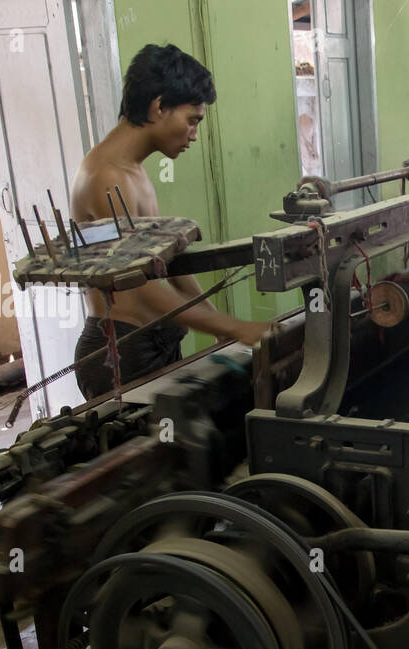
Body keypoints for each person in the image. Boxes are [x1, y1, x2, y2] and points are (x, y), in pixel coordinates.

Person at [69, 43, 267, 398]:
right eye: (192, 120)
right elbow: (135, 286)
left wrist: (218, 326)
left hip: (153, 341)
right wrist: (232, 326)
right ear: (159, 106)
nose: (193, 134)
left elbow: (165, 264)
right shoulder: (104, 177)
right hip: (120, 354)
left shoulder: (134, 172)